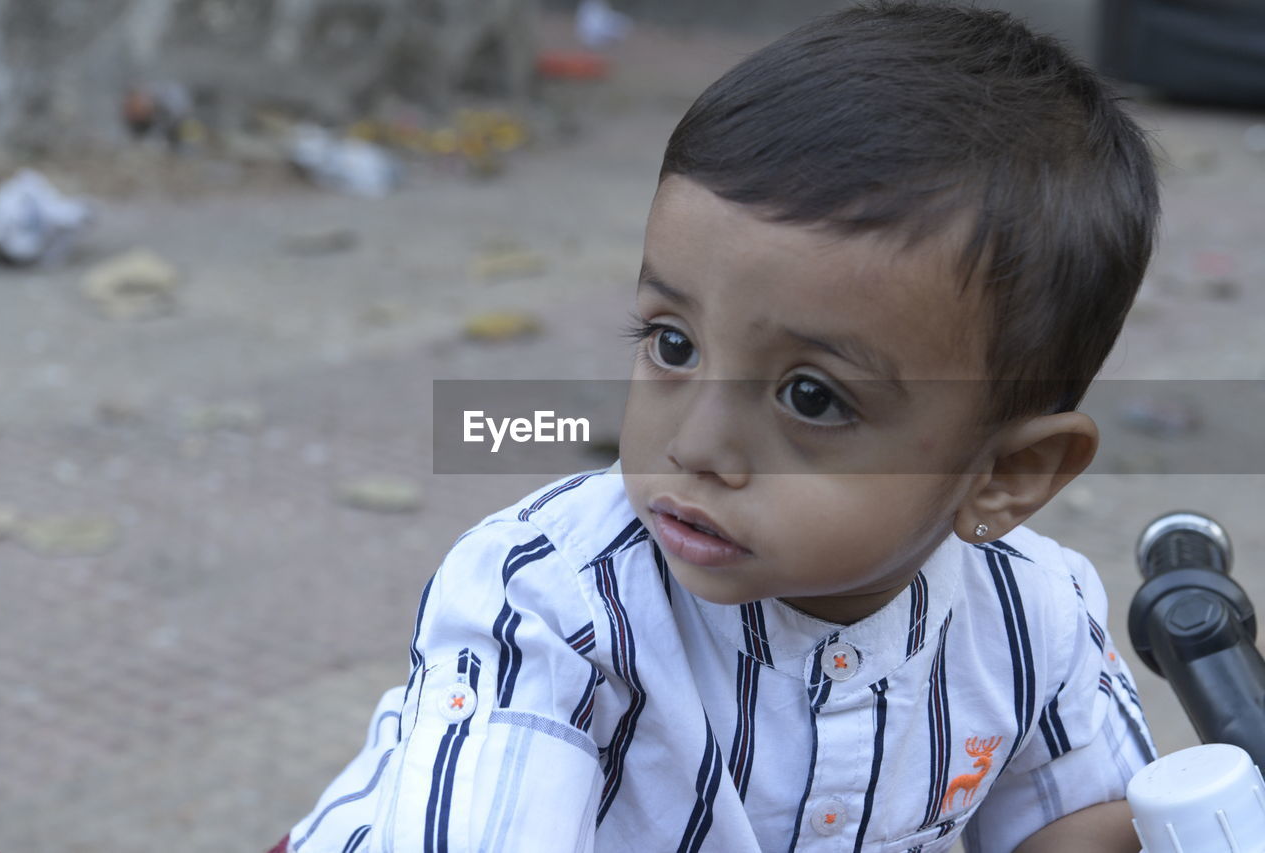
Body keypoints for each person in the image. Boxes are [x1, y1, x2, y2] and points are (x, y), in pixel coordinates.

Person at [279, 3, 1159, 850]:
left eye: (810, 397)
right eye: (673, 342)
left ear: (1007, 475)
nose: (694, 444)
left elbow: (1079, 824)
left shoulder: (1030, 615)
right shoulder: (556, 604)